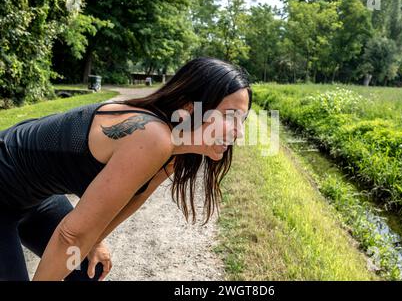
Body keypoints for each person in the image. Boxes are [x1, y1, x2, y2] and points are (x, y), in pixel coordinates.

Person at [0, 57, 252, 281]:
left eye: (241, 120)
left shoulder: (176, 150)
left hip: (35, 199)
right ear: (189, 108)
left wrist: (95, 240)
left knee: (86, 269)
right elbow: (71, 235)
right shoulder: (152, 136)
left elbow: (136, 197)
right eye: (229, 116)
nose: (238, 132)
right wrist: (84, 241)